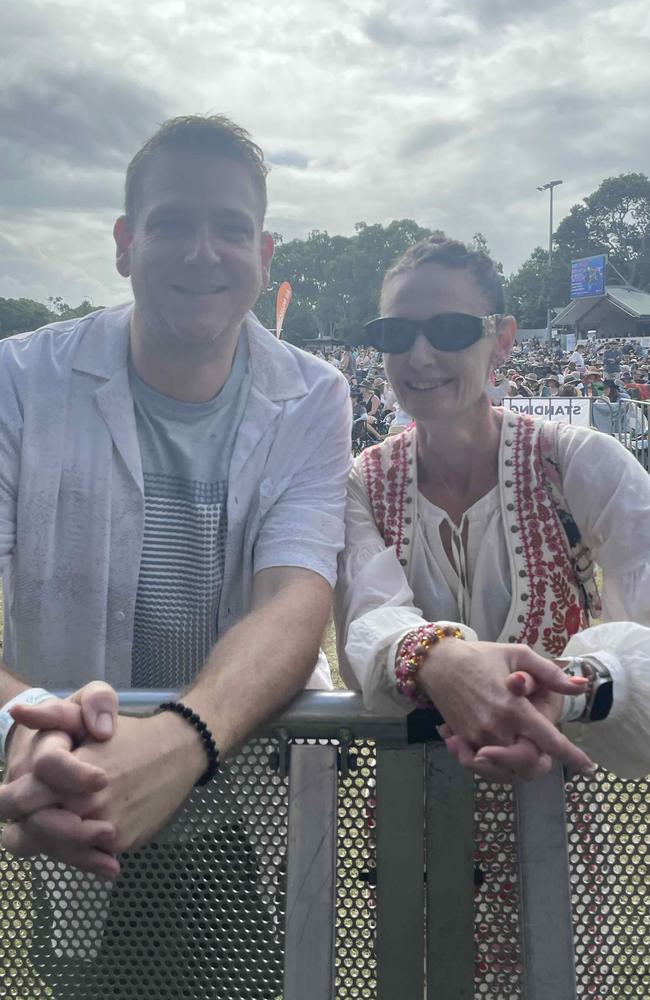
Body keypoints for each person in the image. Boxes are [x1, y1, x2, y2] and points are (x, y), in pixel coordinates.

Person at [0, 114, 351, 997]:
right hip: (71, 787)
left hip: (241, 806)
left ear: (264, 252)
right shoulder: (20, 381)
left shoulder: (314, 396)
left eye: (230, 228)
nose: (204, 252)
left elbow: (295, 598)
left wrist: (183, 741)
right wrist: (23, 730)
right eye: (172, 223)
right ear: (125, 244)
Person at [335, 235, 650, 992]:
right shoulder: (361, 483)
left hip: (549, 811)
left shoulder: (578, 461)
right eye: (393, 334)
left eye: (449, 330)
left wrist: (578, 685)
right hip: (408, 811)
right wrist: (435, 658)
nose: (419, 355)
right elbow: (368, 620)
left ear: (499, 338)